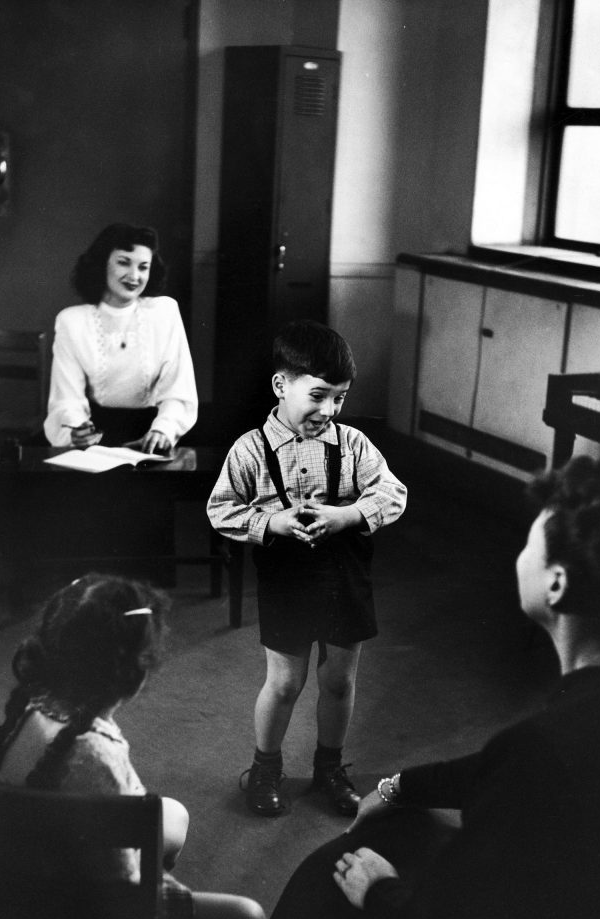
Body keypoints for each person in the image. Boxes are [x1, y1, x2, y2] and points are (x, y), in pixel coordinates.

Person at [239, 451, 600, 919]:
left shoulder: (545, 750)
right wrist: (401, 785)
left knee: (324, 892)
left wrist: (381, 891)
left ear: (557, 584)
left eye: (530, 544)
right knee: (407, 823)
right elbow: (515, 770)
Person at [0, 572, 268, 919]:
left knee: (173, 816)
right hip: (79, 917)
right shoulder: (93, 751)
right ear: (135, 673)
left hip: (19, 881)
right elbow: (125, 879)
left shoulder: (34, 704)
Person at [207, 321, 407, 817]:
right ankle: (266, 767)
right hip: (288, 578)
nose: (329, 410)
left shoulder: (354, 444)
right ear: (281, 386)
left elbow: (392, 493)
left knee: (339, 679)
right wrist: (272, 520)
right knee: (285, 683)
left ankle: (329, 768)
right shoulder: (250, 450)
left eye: (339, 398)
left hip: (345, 576)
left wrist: (347, 515)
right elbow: (220, 510)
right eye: (318, 396)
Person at [43, 223, 198, 454]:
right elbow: (66, 398)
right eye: (123, 262)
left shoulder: (164, 313)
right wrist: (77, 431)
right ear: (102, 263)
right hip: (95, 439)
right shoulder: (72, 322)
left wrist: (163, 430)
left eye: (143, 267)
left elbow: (179, 390)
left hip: (153, 436)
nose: (134, 276)